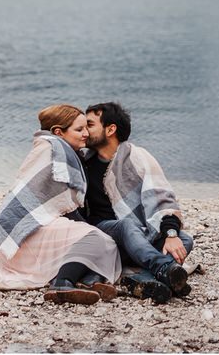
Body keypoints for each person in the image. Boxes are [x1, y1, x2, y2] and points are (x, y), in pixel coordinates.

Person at [0, 104, 122, 304]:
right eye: (79, 129)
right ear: (59, 132)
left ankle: (89, 281)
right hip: (29, 234)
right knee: (98, 239)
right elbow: (61, 205)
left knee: (105, 243)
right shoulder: (56, 152)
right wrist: (86, 228)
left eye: (86, 128)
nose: (86, 134)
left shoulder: (53, 148)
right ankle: (62, 283)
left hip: (34, 230)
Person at [81, 102, 194, 304]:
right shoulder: (83, 161)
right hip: (103, 234)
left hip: (137, 237)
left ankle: (143, 280)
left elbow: (162, 197)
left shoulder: (137, 157)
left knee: (184, 241)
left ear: (110, 129)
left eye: (89, 125)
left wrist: (171, 233)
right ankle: (162, 268)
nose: (84, 131)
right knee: (127, 225)